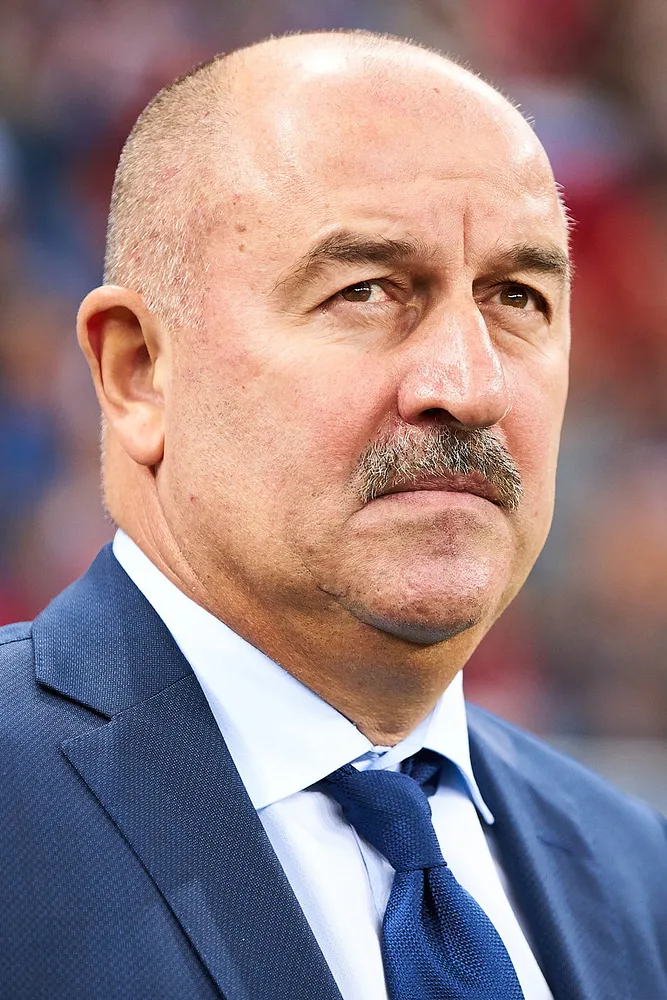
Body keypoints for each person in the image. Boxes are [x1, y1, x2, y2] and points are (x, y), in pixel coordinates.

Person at [1, 29, 665, 1000]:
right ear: (138, 371)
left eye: (516, 298)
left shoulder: (635, 874)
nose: (468, 386)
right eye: (366, 291)